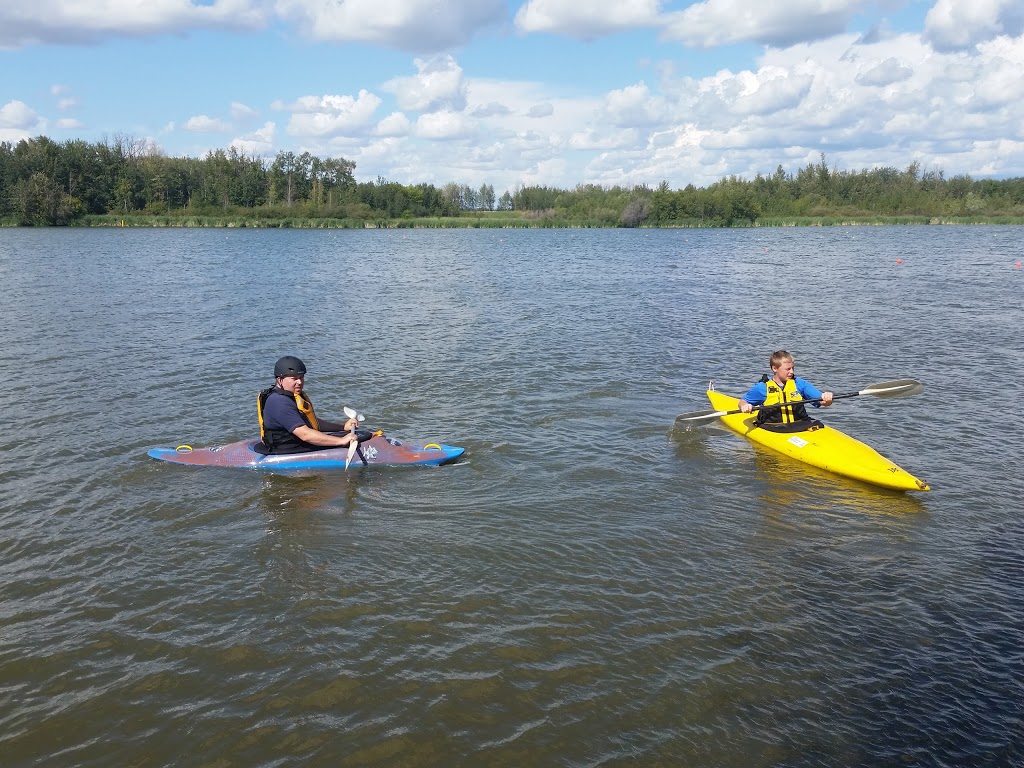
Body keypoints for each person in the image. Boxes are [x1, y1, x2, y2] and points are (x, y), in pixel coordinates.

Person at [256, 356, 361, 454]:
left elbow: (311, 422)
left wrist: (343, 427)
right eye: (294, 378)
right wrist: (341, 441)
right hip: (286, 448)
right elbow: (305, 434)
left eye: (301, 377)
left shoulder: (291, 395)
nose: (299, 382)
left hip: (296, 443)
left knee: (360, 435)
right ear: (280, 380)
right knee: (353, 440)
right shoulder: (279, 402)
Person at [738, 350, 834, 429]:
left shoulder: (800, 384)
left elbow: (823, 402)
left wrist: (827, 398)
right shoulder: (762, 387)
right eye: (788, 369)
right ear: (775, 368)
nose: (791, 372)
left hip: (802, 425)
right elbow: (742, 402)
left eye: (793, 368)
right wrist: (745, 406)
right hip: (773, 428)